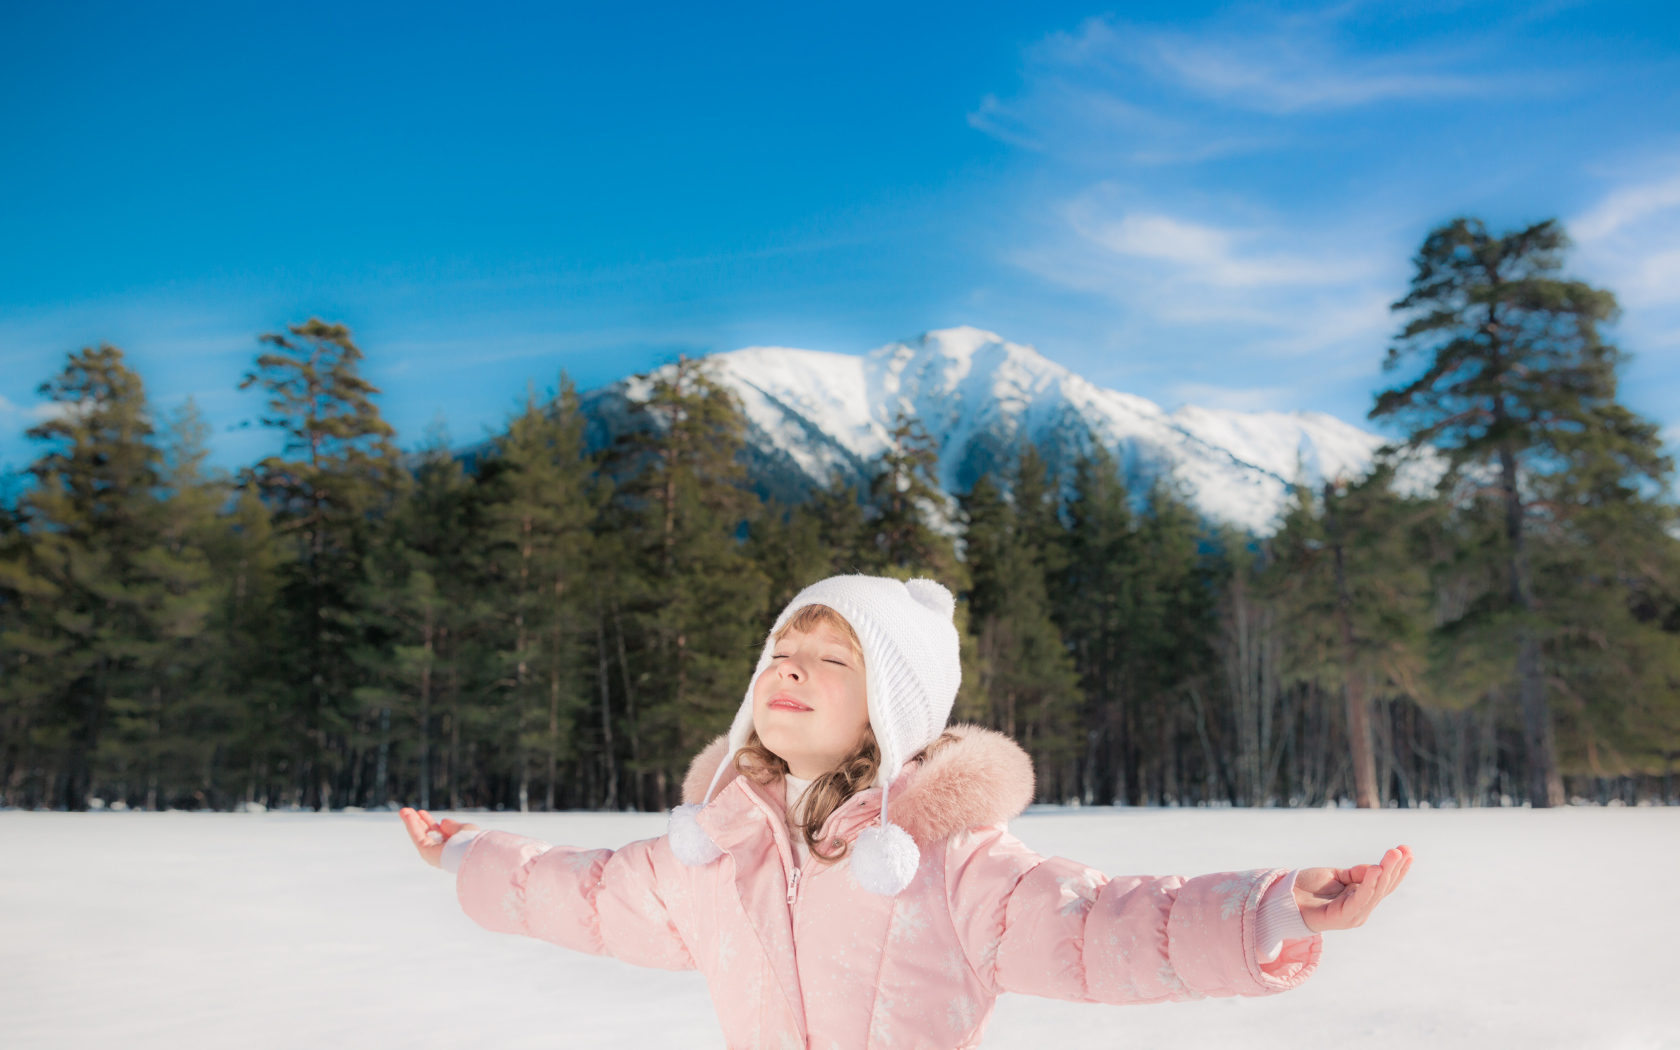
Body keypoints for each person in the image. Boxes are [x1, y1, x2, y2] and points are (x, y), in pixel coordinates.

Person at [401, 574, 1412, 1048]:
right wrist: (468, 855)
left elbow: (1106, 924)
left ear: (891, 709)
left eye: (832, 661)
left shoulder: (949, 862)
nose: (792, 670)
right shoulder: (713, 849)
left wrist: (1274, 909)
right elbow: (580, 896)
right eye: (781, 657)